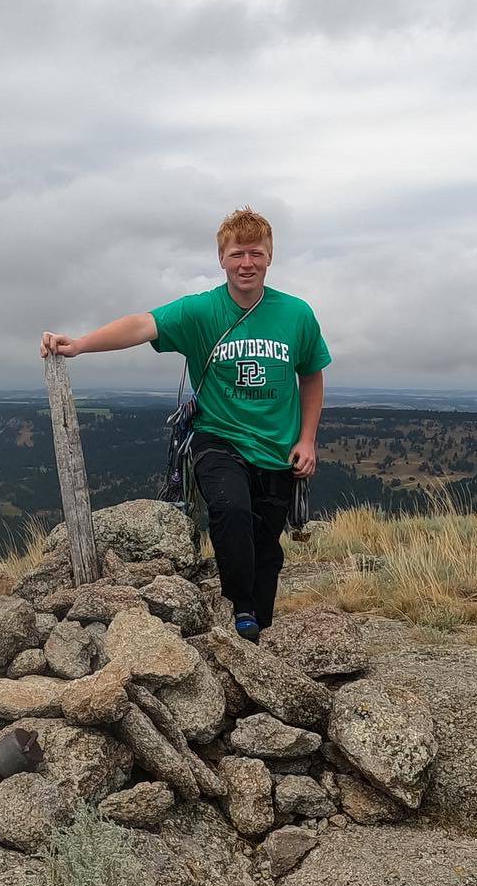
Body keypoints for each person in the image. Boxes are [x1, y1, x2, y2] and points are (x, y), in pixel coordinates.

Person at [40, 206, 331, 641]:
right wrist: (79, 344)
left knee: (267, 547)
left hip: (277, 446)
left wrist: (307, 440)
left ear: (270, 256)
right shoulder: (201, 311)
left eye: (255, 253)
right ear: (221, 259)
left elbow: (311, 376)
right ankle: (242, 611)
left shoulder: (297, 315)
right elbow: (143, 324)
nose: (246, 263)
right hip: (218, 436)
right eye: (236, 254)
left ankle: (259, 629)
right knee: (230, 511)